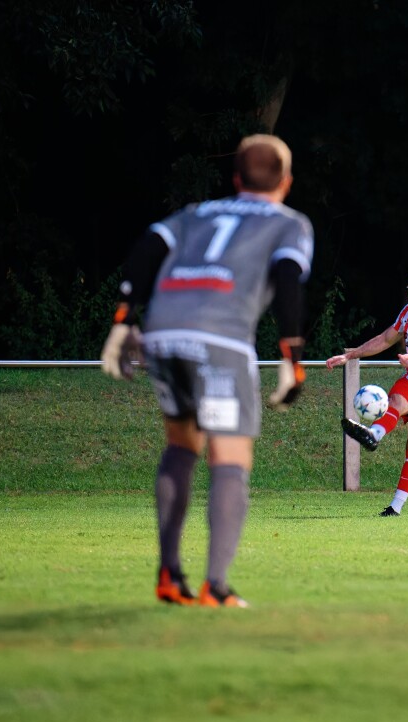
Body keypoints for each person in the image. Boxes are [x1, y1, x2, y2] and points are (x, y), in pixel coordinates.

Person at [100, 134, 314, 607]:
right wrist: (291, 357)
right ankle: (215, 587)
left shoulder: (197, 213)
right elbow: (286, 277)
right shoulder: (290, 223)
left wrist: (123, 318)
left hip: (162, 334)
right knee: (230, 456)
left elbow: (150, 245)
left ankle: (169, 575)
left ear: (236, 178)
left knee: (181, 445)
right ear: (287, 182)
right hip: (220, 339)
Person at [326, 264, 408, 516]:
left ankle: (396, 506)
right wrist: (350, 356)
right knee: (395, 400)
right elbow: (386, 338)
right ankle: (374, 434)